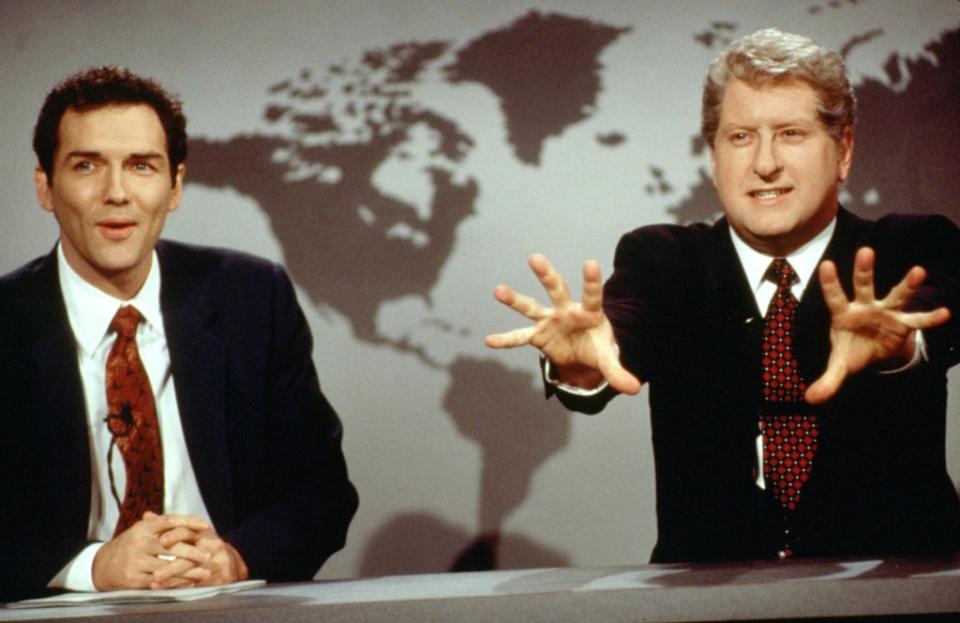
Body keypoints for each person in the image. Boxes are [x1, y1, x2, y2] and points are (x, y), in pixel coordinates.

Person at [487, 28, 960, 563]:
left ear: (844, 149)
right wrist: (583, 365)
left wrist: (900, 346)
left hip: (900, 596)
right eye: (740, 137)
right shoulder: (662, 260)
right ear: (713, 157)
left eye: (790, 134)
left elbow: (945, 312)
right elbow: (620, 328)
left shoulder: (911, 248)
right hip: (709, 604)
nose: (764, 164)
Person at [0, 66, 358, 602]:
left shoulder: (251, 297)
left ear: (175, 187)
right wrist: (95, 567)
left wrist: (235, 557)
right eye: (87, 165)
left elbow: (321, 492)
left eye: (142, 166)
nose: (116, 192)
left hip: (227, 609)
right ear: (45, 187)